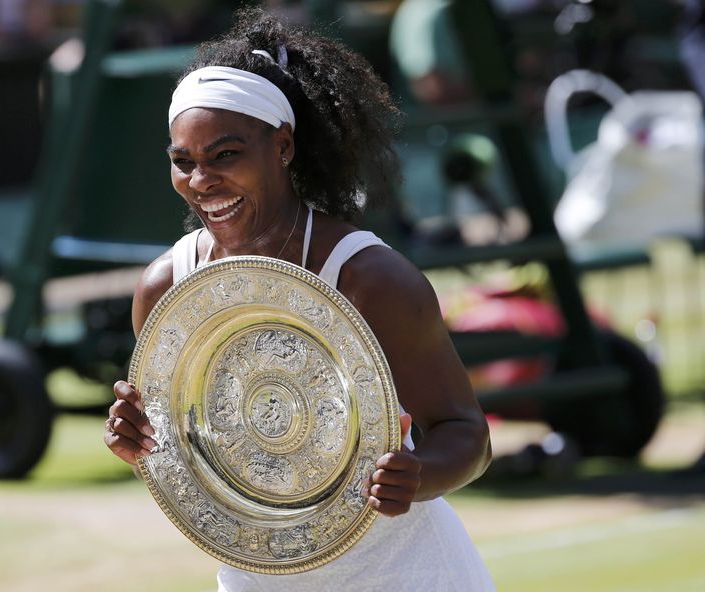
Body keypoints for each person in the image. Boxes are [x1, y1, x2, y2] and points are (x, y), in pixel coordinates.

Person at [104, 7, 494, 590]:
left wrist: (420, 475)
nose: (201, 180)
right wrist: (137, 439)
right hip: (255, 578)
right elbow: (193, 460)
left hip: (406, 574)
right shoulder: (165, 289)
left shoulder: (373, 279)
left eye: (225, 155)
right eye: (183, 162)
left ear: (283, 146)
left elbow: (468, 435)